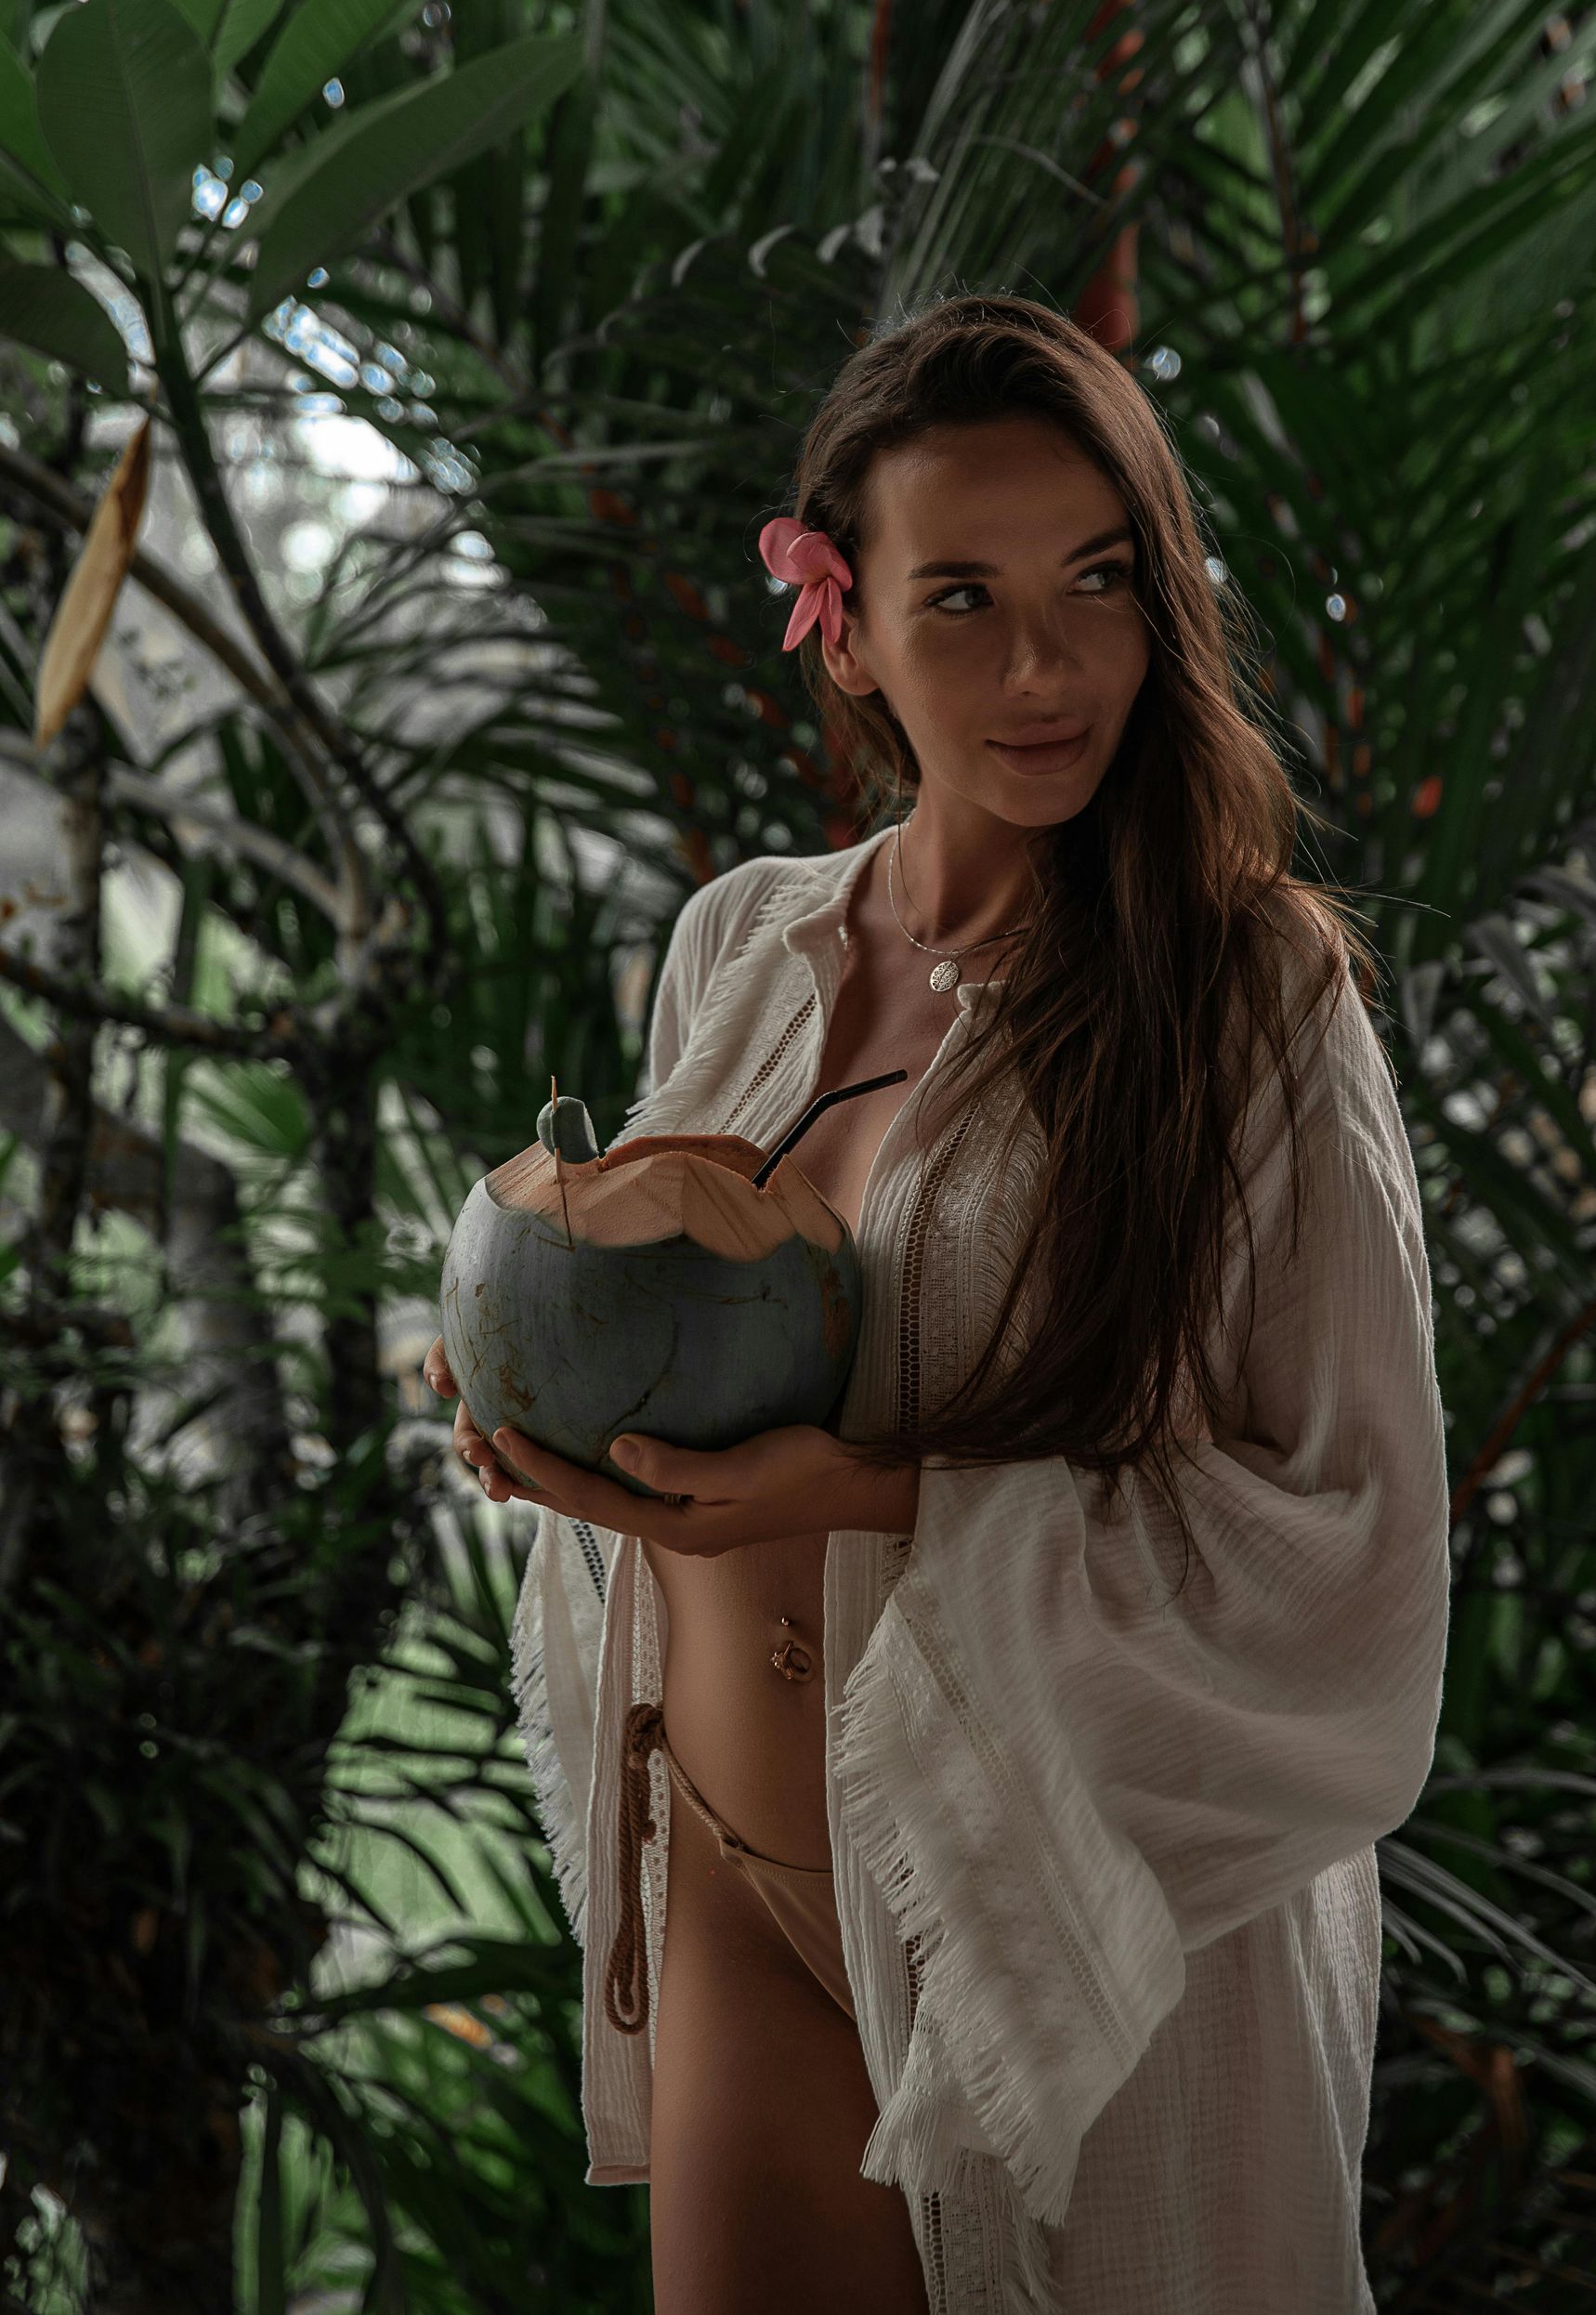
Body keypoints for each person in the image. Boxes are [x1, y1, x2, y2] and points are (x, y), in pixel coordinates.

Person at [425, 292, 1452, 2314]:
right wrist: (541, 1423)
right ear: (849, 622)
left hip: (1063, 1917)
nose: (1049, 663)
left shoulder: (1255, 1001)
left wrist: (877, 1495)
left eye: (1099, 580)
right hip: (733, 1875)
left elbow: (1358, 1547)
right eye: (962, 597)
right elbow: (661, 1337)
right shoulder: (741, 945)